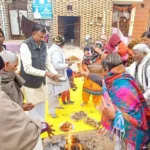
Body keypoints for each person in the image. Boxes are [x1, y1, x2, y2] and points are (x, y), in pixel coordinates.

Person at [80, 53, 150, 150]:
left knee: (129, 144)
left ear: (106, 70)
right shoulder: (120, 76)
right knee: (119, 140)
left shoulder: (120, 87)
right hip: (120, 121)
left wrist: (113, 116)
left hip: (132, 128)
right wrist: (87, 74)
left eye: (102, 71)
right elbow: (102, 81)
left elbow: (132, 122)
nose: (102, 74)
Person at [0, 55, 55, 150]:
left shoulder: (11, 76)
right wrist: (42, 126)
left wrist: (20, 106)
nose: (16, 68)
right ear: (6, 64)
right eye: (15, 65)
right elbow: (21, 132)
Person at [20, 24, 58, 121]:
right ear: (33, 34)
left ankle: (42, 126)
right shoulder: (25, 45)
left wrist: (54, 73)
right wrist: (45, 73)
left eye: (44, 37)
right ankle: (35, 128)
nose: (42, 39)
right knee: (32, 106)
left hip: (41, 82)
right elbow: (27, 68)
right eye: (40, 36)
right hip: (30, 83)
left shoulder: (44, 44)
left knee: (42, 104)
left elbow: (48, 62)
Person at [47, 35, 73, 118]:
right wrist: (67, 64)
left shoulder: (56, 49)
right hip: (53, 74)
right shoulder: (55, 51)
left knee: (57, 91)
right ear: (61, 44)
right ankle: (51, 111)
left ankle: (56, 104)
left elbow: (58, 61)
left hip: (58, 74)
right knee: (51, 93)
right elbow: (56, 65)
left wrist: (64, 61)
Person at [81, 42, 105, 107]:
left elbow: (107, 62)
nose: (96, 50)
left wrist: (100, 53)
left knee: (97, 92)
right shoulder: (88, 56)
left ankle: (96, 103)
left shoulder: (103, 57)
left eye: (98, 48)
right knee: (86, 90)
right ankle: (85, 101)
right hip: (89, 76)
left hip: (98, 77)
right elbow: (84, 63)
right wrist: (86, 69)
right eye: (95, 48)